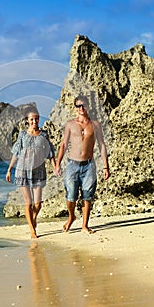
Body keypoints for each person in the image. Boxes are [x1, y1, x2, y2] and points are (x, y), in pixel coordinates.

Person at [54, 95, 110, 234]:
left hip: (89, 165)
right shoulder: (70, 124)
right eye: (78, 106)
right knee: (70, 196)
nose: (81, 108)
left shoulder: (95, 125)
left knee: (87, 195)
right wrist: (57, 164)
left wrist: (106, 166)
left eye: (83, 105)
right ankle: (71, 216)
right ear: (75, 108)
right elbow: (64, 145)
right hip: (72, 164)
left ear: (88, 106)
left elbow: (102, 145)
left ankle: (84, 226)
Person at [6, 106, 56, 239]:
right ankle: (32, 230)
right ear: (27, 120)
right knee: (28, 202)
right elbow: (16, 154)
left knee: (38, 203)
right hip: (22, 171)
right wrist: (10, 169)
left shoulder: (44, 134)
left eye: (37, 119)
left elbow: (50, 153)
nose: (35, 122)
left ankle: (33, 219)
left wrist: (56, 166)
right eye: (32, 119)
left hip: (39, 172)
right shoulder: (22, 135)